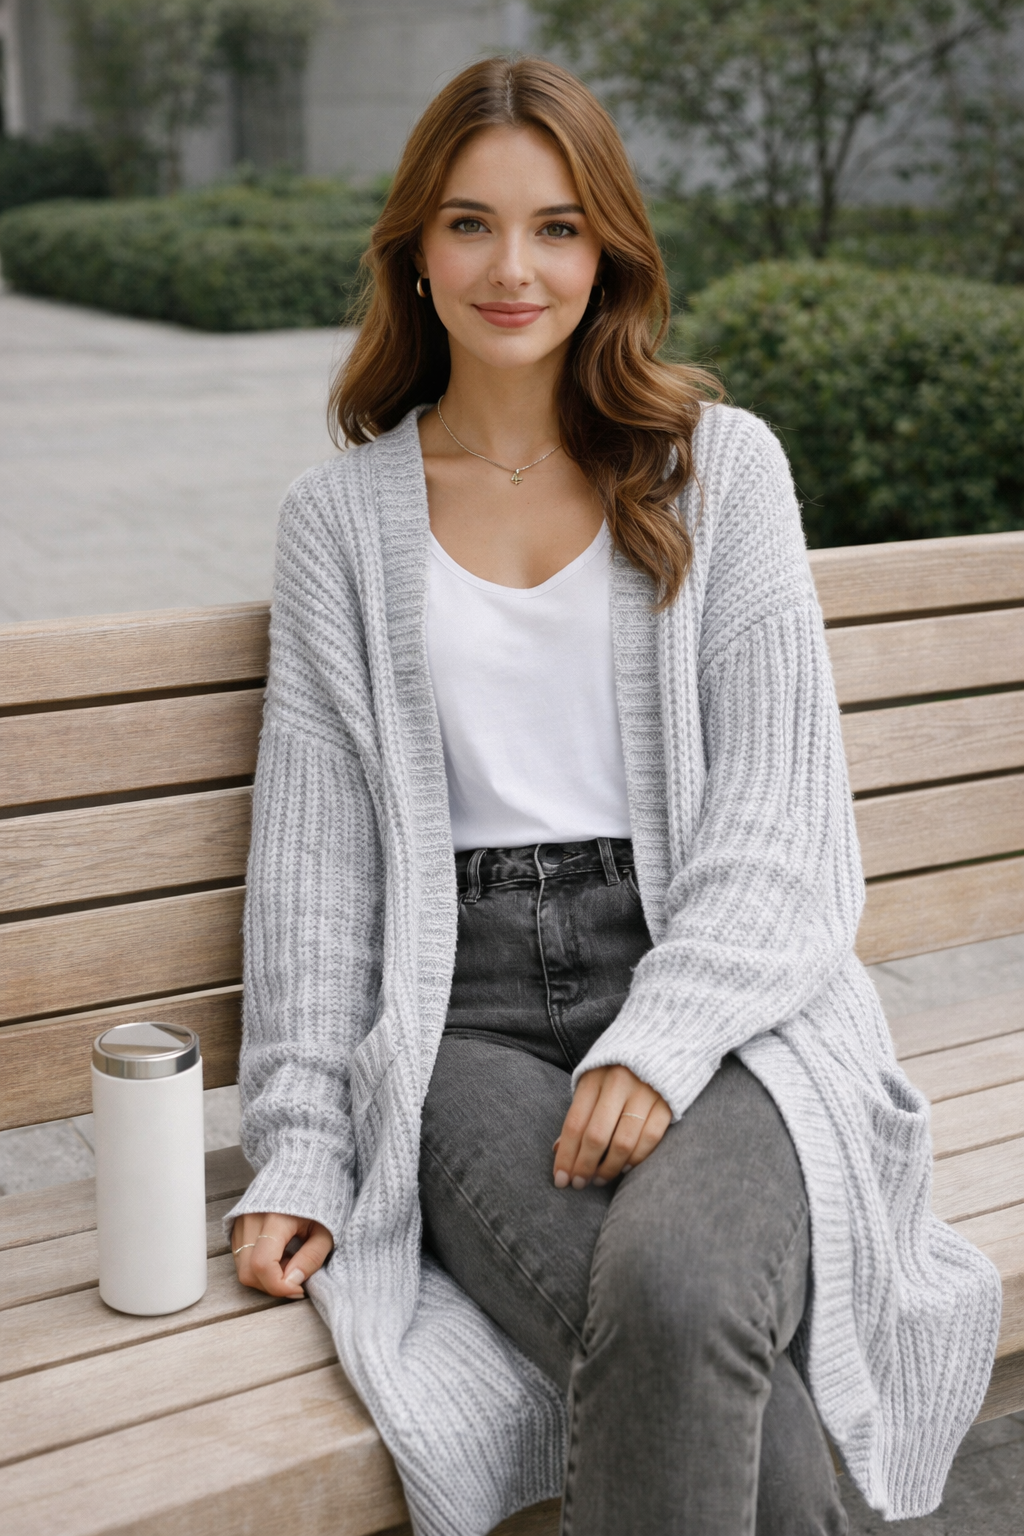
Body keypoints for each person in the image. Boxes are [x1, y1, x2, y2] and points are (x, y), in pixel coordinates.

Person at [226, 56, 1000, 1536]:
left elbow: (786, 826)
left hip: (722, 991)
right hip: (462, 1018)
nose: (513, 267)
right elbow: (316, 882)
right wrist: (309, 1145)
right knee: (690, 1343)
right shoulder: (339, 522)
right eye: (470, 224)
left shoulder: (723, 472)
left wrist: (665, 1033)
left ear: (611, 252)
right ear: (414, 252)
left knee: (682, 1287)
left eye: (558, 227)